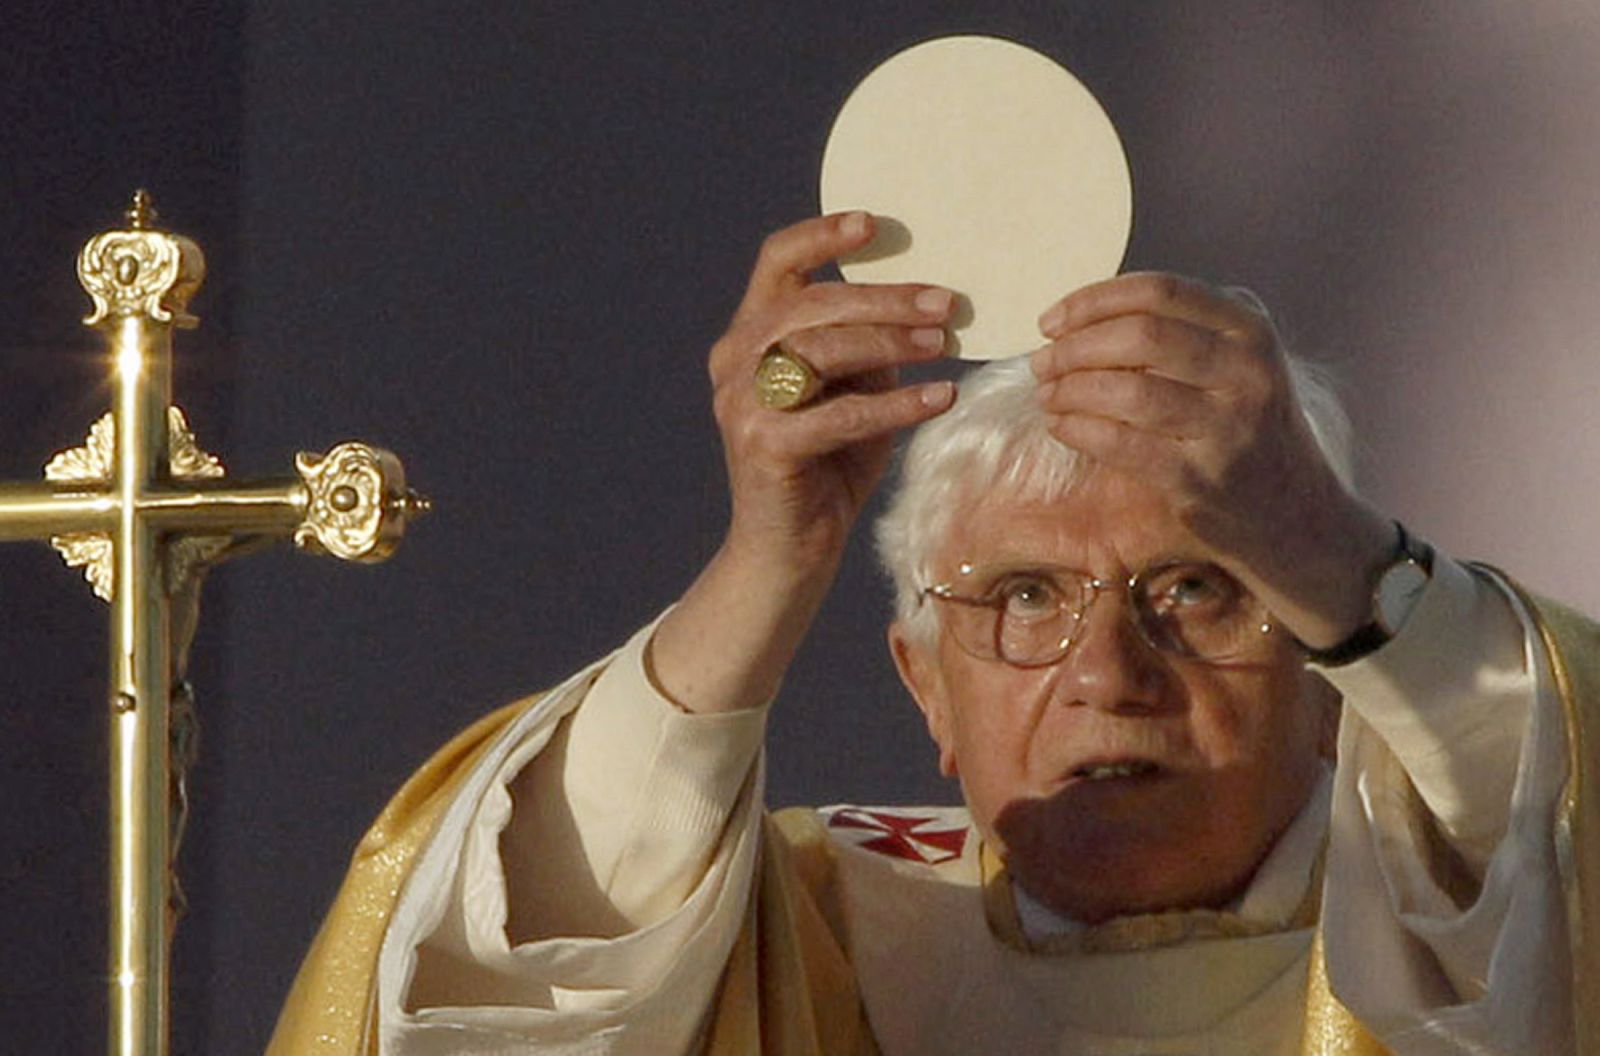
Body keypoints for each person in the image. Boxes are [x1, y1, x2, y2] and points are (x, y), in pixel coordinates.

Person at [269, 213, 1597, 1055]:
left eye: (1196, 590)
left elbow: (1554, 808)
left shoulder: (1455, 931)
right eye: (1023, 597)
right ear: (924, 689)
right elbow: (486, 991)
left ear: (1328, 689)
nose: (1107, 674)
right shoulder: (810, 928)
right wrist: (771, 557)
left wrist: (1324, 544)